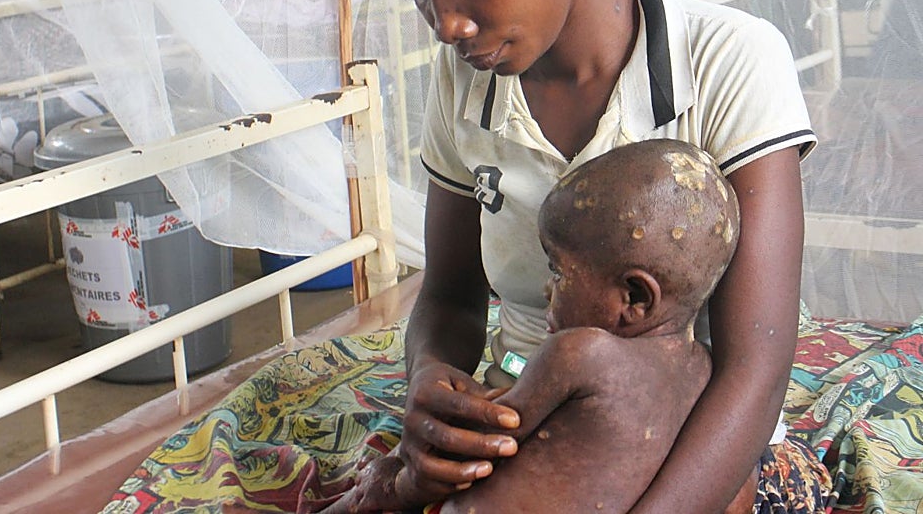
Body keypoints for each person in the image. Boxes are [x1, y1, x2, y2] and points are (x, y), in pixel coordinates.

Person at [372, 0, 827, 512]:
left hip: (685, 443)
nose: (447, 24)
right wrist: (433, 385)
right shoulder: (464, 82)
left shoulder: (728, 61)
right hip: (528, 416)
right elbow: (451, 297)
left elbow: (758, 368)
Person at [317, 139, 812, 513]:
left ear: (634, 298)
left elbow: (476, 441)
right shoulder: (705, 373)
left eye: (558, 271)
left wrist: (393, 483)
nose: (547, 290)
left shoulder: (578, 354)